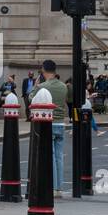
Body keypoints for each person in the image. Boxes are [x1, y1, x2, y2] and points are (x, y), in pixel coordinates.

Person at [33, 60, 69, 195]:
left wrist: (35, 86)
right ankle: (59, 187)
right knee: (59, 156)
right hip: (61, 123)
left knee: (51, 157)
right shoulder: (63, 86)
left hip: (49, 123)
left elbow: (32, 100)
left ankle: (53, 187)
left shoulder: (42, 86)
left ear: (43, 70)